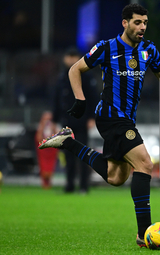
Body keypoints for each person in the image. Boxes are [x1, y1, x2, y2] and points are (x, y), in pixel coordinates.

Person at [39, 3, 160, 247]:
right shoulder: (106, 48)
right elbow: (75, 69)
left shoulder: (149, 50)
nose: (142, 27)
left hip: (126, 119)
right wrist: (80, 100)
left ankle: (69, 143)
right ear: (125, 23)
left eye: (145, 22)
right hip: (111, 117)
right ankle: (144, 234)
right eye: (137, 22)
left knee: (115, 177)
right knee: (145, 163)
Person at [52, 48, 98, 193]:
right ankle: (70, 185)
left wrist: (92, 117)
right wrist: (55, 119)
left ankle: (84, 186)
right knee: (68, 156)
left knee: (83, 154)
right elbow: (57, 100)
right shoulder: (61, 77)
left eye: (74, 56)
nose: (71, 59)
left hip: (82, 121)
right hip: (66, 121)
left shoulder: (86, 76)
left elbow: (93, 98)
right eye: (69, 56)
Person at [35, 111, 58, 189]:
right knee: (44, 168)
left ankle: (49, 182)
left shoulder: (53, 127)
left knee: (50, 169)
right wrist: (43, 125)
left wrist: (53, 126)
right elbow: (38, 139)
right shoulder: (41, 127)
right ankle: (44, 183)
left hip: (51, 150)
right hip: (44, 150)